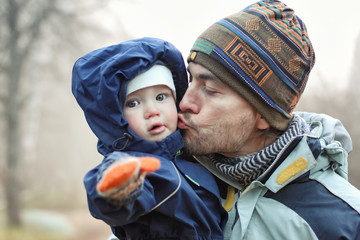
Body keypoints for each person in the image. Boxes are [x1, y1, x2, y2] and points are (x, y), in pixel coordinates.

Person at [177, 0, 360, 239]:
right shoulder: (168, 180)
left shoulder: (343, 223)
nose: (184, 102)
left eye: (210, 88)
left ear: (263, 114)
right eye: (190, 80)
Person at [71, 37, 227, 239]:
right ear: (117, 119)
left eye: (161, 97)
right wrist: (118, 189)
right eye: (133, 103)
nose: (152, 111)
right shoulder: (136, 164)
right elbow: (109, 185)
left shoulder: (192, 153)